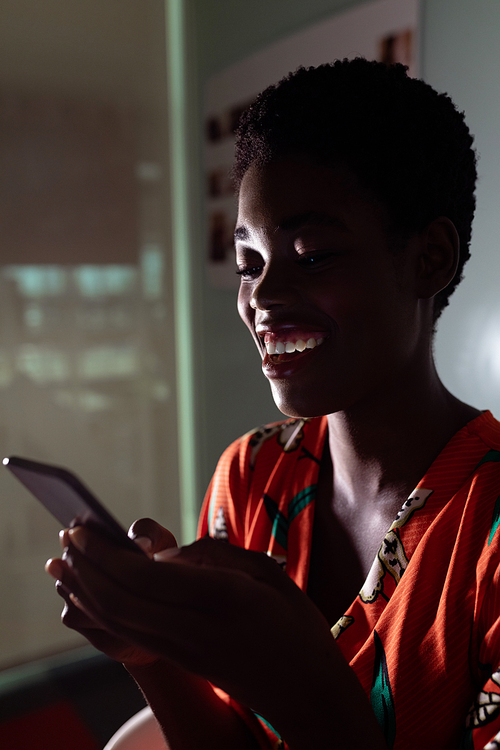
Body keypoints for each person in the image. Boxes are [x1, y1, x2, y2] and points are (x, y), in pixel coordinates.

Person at [46, 58, 500, 750]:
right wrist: (151, 656)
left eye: (313, 255)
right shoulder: (251, 476)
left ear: (429, 259)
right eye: (248, 262)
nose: (261, 297)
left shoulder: (487, 530)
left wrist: (304, 686)